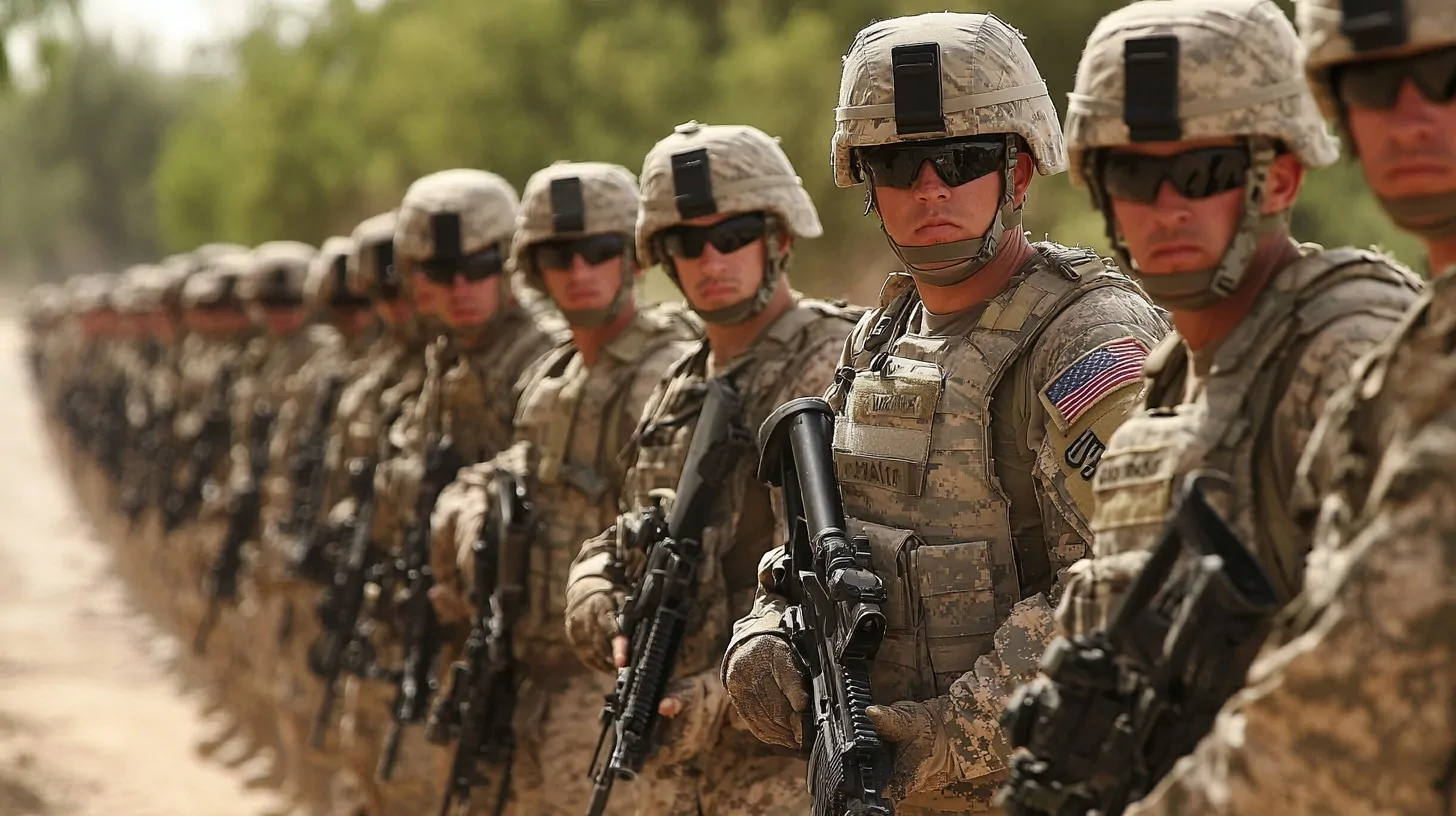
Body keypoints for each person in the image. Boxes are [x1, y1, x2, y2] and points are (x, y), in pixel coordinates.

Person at [720, 13, 1168, 813]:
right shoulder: (880, 336)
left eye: (962, 160)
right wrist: (769, 640)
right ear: (868, 183)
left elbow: (1119, 593)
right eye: (898, 163)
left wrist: (941, 735)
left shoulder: (1082, 340)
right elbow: (814, 550)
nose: (930, 188)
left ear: (1020, 172)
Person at [1111, 0, 1456, 812]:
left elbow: (1353, 715)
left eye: (1447, 78)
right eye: (1372, 85)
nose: (1409, 119)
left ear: (1283, 176)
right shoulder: (1415, 350)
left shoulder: (1344, 346)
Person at [1052, 0, 1422, 640]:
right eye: (1135, 174)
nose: (1166, 207)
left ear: (1277, 181)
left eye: (1203, 173)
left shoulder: (1347, 349)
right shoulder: (1171, 379)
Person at [563, 121, 862, 815]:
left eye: (731, 237)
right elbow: (633, 523)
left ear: (779, 240)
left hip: (792, 766)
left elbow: (852, 586)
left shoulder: (839, 366)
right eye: (687, 244)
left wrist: (725, 695)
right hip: (685, 773)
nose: (709, 259)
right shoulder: (678, 384)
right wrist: (594, 588)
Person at [424, 160, 698, 813]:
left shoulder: (668, 372)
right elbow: (518, 468)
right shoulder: (553, 376)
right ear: (534, 269)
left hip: (609, 686)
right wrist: (466, 509)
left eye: (599, 253)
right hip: (532, 675)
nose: (577, 272)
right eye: (557, 256)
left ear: (633, 259)